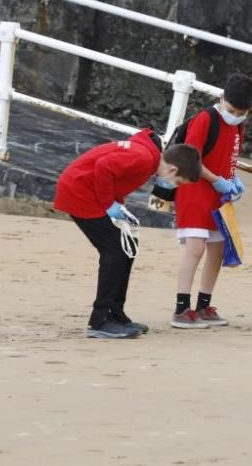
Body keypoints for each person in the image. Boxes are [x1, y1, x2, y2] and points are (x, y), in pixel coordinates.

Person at [54, 129, 202, 338]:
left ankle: (115, 312)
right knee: (115, 251)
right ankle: (100, 320)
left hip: (89, 194)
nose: (173, 186)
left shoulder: (146, 158)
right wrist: (109, 205)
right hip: (80, 194)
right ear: (173, 170)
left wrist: (118, 208)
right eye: (178, 182)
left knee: (128, 246)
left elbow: (115, 177)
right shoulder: (143, 158)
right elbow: (103, 167)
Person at [172, 73, 252, 329]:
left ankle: (204, 305)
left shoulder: (238, 123)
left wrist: (232, 179)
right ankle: (181, 308)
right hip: (194, 189)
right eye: (231, 110)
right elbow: (190, 160)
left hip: (218, 195)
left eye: (241, 113)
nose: (236, 116)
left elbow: (229, 155)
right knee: (195, 248)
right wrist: (218, 179)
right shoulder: (205, 119)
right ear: (221, 98)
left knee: (217, 251)